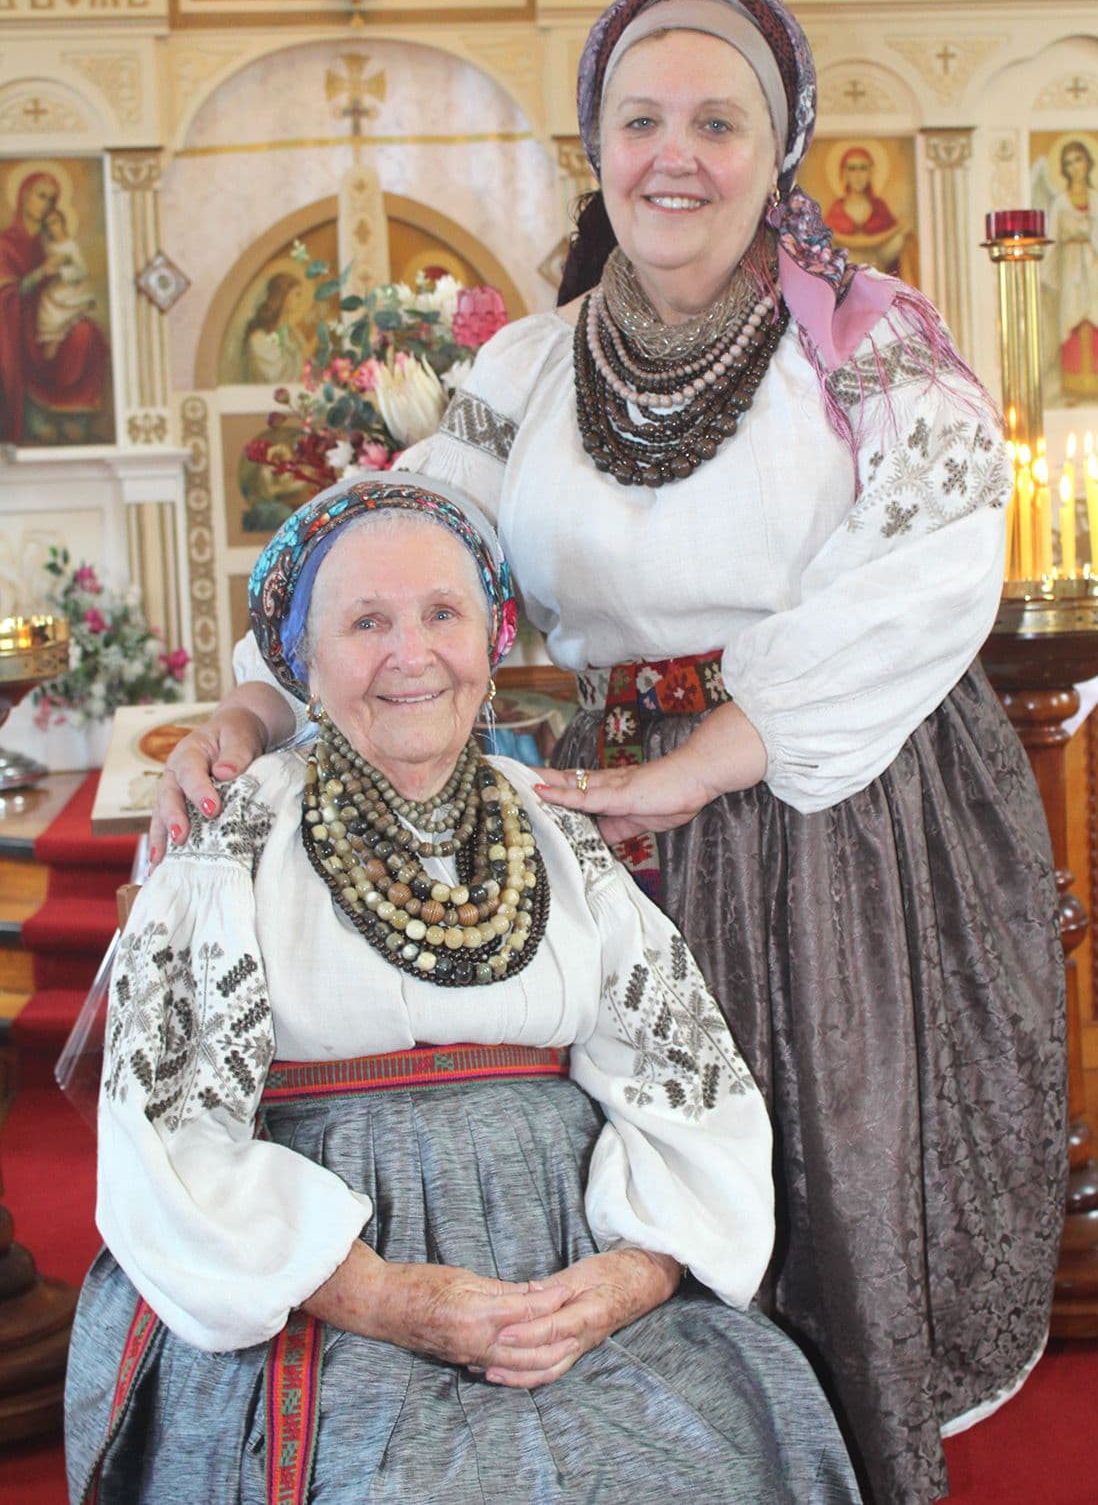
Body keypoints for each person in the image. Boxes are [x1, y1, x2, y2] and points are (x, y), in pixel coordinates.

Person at [151, 0, 1065, 1504]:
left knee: (815, 1166)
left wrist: (703, 757)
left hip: (823, 818)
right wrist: (252, 698)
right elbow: (401, 548)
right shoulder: (523, 372)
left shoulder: (871, 352)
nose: (674, 155)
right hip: (601, 835)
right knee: (625, 1192)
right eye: (639, 120)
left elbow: (933, 562)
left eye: (718, 121)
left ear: (779, 151)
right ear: (597, 147)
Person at [65, 474, 861, 1504]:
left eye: (443, 614)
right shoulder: (232, 839)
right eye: (366, 622)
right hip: (322, 1286)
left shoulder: (557, 828)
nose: (411, 654)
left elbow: (684, 1084)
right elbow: (165, 1138)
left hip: (572, 1264)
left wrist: (633, 1277)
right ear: (302, 661)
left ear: (490, 645)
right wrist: (387, 1297)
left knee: (720, 1442)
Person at [0, 171, 108, 444]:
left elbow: (76, 274)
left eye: (51, 199)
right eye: (40, 195)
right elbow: (6, 292)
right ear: (23, 195)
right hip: (19, 324)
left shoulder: (51, 243)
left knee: (87, 333)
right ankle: (37, 418)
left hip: (53, 314)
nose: (45, 204)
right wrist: (40, 273)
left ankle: (73, 417)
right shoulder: (5, 243)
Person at [1041, 137, 1098, 405]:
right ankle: (1073, 389)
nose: (1074, 167)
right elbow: (1051, 240)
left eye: (1079, 160)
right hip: (1070, 268)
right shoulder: (1059, 204)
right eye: (1068, 163)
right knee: (1073, 319)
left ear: (1089, 163)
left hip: (1095, 265)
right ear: (1063, 170)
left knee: (1097, 318)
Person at [823, 144, 917, 281]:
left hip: (878, 281)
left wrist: (902, 230)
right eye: (852, 169)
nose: (858, 175)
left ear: (870, 173)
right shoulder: (837, 209)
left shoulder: (879, 208)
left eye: (863, 168)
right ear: (844, 173)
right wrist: (896, 230)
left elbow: (890, 251)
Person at [35, 207, 98, 358]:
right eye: (47, 225)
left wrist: (62, 270)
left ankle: (53, 354)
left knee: (58, 324)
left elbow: (82, 271)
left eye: (54, 222)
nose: (52, 227)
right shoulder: (49, 246)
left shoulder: (70, 245)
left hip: (70, 292)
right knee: (46, 312)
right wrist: (48, 270)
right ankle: (50, 359)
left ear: (62, 223)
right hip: (54, 290)